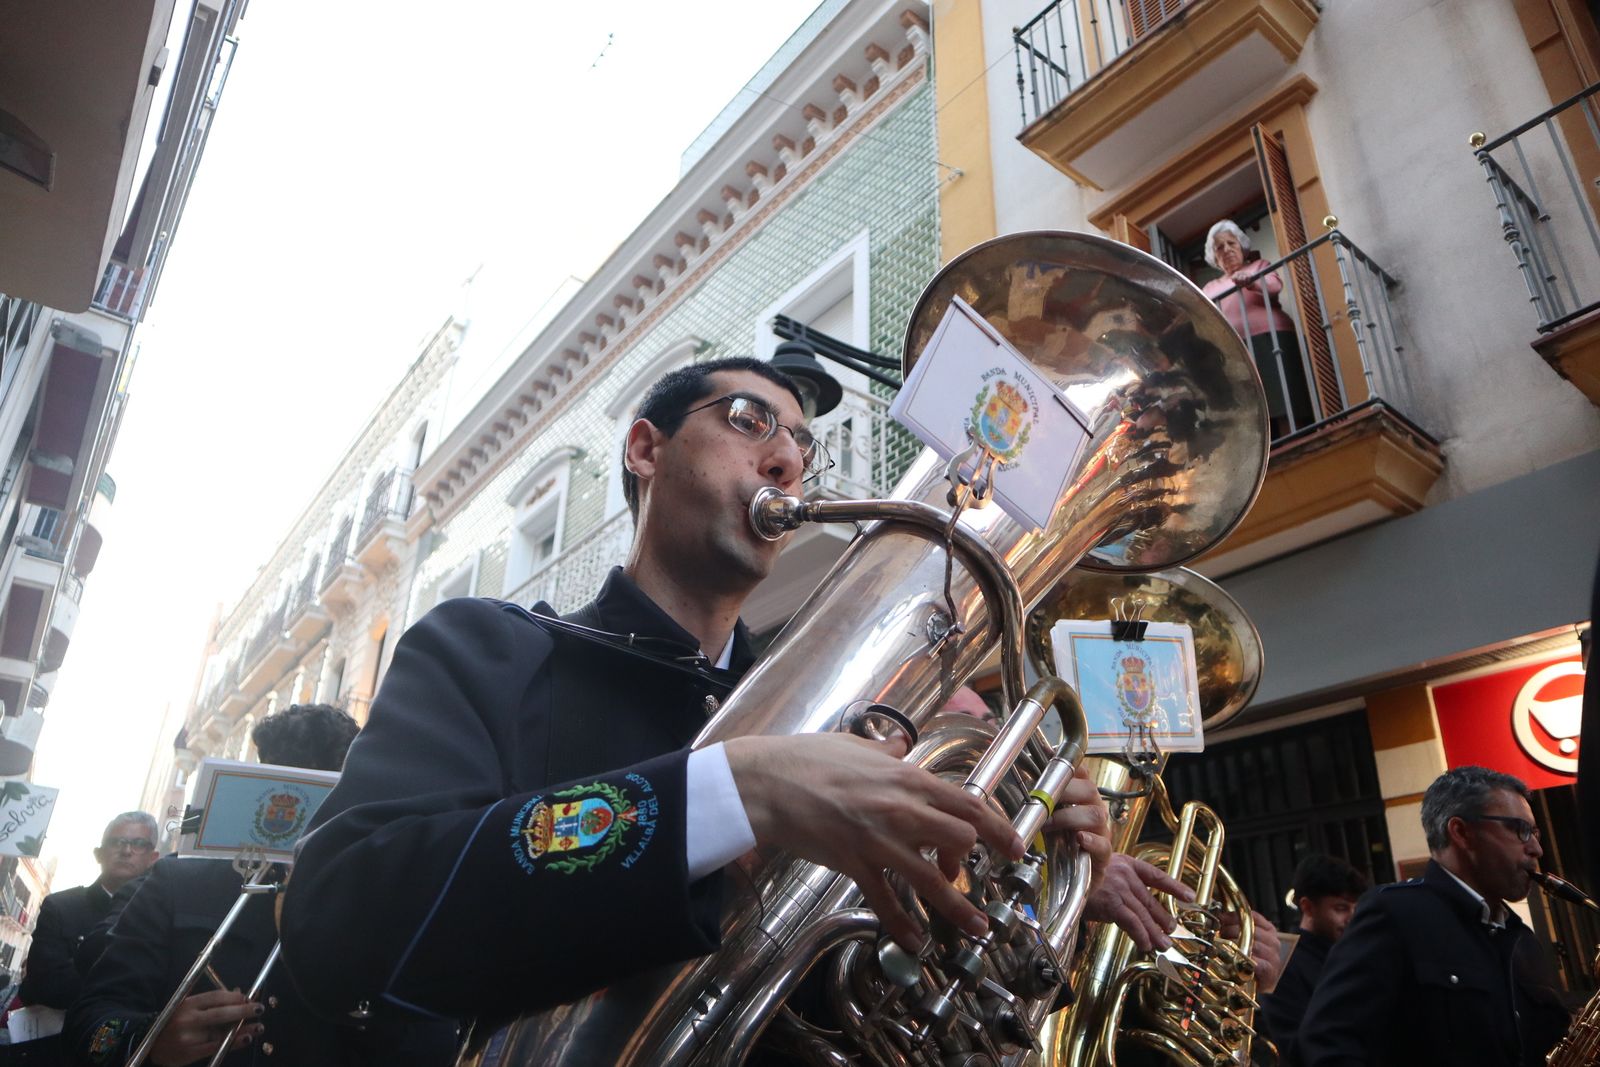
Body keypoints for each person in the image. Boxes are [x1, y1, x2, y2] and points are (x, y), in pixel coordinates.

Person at [276, 358, 1116, 1055]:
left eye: (802, 445)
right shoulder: (490, 650)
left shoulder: (851, 732)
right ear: (646, 448)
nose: (786, 459)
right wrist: (729, 793)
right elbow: (342, 910)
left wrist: (1020, 863)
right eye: (750, 420)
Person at [61, 705, 455, 1066]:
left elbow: (433, 1045)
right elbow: (90, 1023)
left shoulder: (383, 904)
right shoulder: (177, 882)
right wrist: (147, 1037)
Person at [1297, 766, 1571, 1066]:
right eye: (1520, 830)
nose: (1536, 848)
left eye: (1535, 833)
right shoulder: (1395, 914)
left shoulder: (1521, 938)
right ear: (1462, 832)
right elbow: (1327, 1044)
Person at [19, 814, 160, 1011]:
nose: (127, 851)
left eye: (139, 844)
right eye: (117, 842)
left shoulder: (159, 919)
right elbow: (45, 986)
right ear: (99, 854)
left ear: (153, 858)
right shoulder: (60, 906)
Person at [1200, 220, 1316, 439]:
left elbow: (1274, 286)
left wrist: (1250, 282)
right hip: (1235, 351)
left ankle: (1295, 438)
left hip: (1271, 338)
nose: (1226, 250)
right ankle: (1271, 452)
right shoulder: (1210, 288)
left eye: (1230, 243)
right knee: (1253, 404)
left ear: (1242, 247)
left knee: (1282, 393)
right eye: (1219, 247)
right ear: (1214, 257)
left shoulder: (1258, 267)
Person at [1258, 854, 1367, 1062]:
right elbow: (1292, 1044)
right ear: (1307, 907)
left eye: (1356, 908)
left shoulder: (1354, 951)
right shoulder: (1283, 959)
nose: (1352, 917)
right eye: (1341, 908)